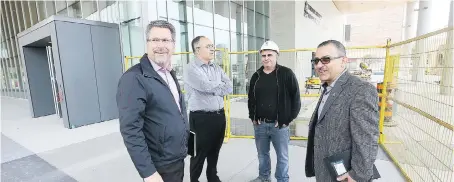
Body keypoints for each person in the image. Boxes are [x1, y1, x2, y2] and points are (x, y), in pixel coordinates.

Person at [116, 20, 188, 182]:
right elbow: (131, 130)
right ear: (147, 43)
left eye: (165, 40)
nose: (160, 45)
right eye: (155, 40)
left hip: (175, 158)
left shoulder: (168, 73)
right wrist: (148, 173)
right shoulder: (134, 78)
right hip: (159, 165)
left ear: (173, 44)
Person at [305, 40, 379, 182]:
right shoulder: (329, 86)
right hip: (327, 170)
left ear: (343, 61)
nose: (319, 65)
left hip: (346, 176)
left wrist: (357, 175)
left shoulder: (360, 90)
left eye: (326, 59)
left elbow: (367, 140)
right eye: (316, 61)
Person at [248, 40, 301, 182]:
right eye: (263, 55)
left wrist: (287, 119)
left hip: (280, 126)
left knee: (282, 156)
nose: (266, 58)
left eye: (269, 55)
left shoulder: (286, 74)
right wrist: (253, 117)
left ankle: (282, 179)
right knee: (262, 155)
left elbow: (296, 99)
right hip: (260, 125)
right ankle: (264, 177)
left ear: (276, 55)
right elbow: (251, 99)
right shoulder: (256, 76)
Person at [183, 36, 233, 182]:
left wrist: (214, 86)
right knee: (197, 153)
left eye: (212, 46)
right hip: (199, 118)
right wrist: (217, 86)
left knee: (215, 150)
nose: (212, 49)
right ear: (197, 49)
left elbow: (229, 86)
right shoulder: (190, 68)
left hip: (218, 117)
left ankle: (212, 177)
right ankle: (194, 179)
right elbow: (204, 86)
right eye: (208, 46)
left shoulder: (216, 67)